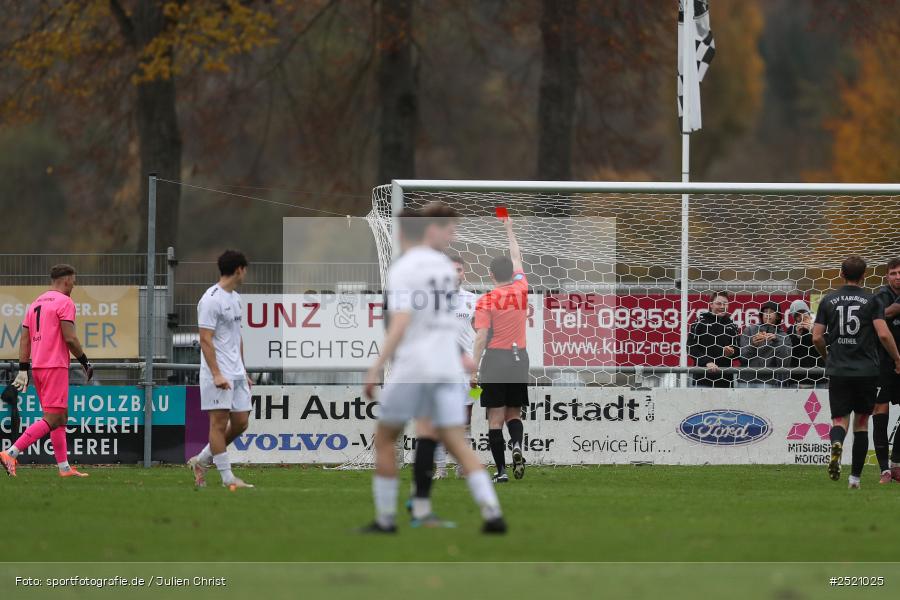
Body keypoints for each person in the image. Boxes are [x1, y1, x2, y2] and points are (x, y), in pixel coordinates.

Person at [361, 203, 505, 534]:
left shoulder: (403, 269)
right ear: (428, 230)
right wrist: (462, 354)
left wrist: (376, 366)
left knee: (385, 439)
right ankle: (491, 512)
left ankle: (385, 519)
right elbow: (447, 319)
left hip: (415, 366)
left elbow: (401, 323)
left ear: (398, 233)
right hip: (447, 366)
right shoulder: (443, 267)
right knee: (454, 440)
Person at [812, 256, 900, 489]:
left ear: (841, 274)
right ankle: (855, 479)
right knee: (861, 424)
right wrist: (897, 357)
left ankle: (837, 444)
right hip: (867, 371)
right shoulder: (872, 300)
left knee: (839, 421)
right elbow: (882, 334)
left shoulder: (828, 300)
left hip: (839, 369)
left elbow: (817, 337)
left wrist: (827, 357)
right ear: (864, 275)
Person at [0, 264, 92, 478]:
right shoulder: (65, 302)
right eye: (74, 281)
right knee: (52, 417)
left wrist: (23, 368)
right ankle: (11, 452)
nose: (74, 285)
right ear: (67, 280)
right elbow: (70, 338)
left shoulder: (35, 303)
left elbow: (24, 339)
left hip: (39, 366)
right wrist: (85, 362)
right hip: (55, 366)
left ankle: (64, 468)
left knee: (61, 416)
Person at [187, 250, 254, 490]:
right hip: (217, 372)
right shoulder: (210, 299)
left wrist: (243, 371)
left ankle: (202, 460)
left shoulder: (235, 298)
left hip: (236, 372)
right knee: (217, 423)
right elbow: (205, 339)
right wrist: (216, 373)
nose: (246, 274)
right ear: (239, 269)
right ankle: (228, 478)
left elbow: (238, 337)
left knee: (241, 422)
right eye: (245, 269)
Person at [471, 216, 529, 483]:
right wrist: (509, 229)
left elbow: (481, 336)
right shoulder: (522, 288)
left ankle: (502, 471)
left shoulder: (487, 300)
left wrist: (473, 367)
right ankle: (517, 445)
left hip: (495, 359)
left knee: (494, 419)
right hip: (520, 359)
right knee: (513, 414)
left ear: (491, 275)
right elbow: (516, 256)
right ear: (513, 274)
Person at [432, 254, 477, 479]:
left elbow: (482, 335)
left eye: (459, 270)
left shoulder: (473, 300)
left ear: (463, 273)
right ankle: (440, 468)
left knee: (465, 420)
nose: (455, 274)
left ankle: (462, 466)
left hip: (466, 371)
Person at [872, 258, 900, 482]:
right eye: (893, 273)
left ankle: (896, 461)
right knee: (880, 417)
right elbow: (884, 315)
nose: (897, 276)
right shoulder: (881, 296)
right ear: (887, 276)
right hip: (882, 365)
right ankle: (884, 470)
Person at [687, 291, 739, 388]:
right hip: (702, 379)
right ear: (711, 305)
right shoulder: (700, 321)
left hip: (725, 380)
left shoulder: (732, 325)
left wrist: (731, 352)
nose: (722, 306)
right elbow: (691, 347)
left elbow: (737, 350)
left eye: (725, 304)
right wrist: (707, 362)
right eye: (719, 303)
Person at [737, 301, 792, 388]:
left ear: (778, 316)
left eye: (771, 312)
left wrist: (777, 342)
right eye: (765, 312)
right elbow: (742, 358)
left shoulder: (783, 336)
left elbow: (784, 363)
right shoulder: (749, 330)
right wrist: (753, 345)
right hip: (745, 380)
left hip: (768, 382)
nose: (767, 314)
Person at [785, 299, 822, 388]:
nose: (801, 317)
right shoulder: (791, 329)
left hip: (820, 378)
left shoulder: (820, 326)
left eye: (803, 312)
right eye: (797, 315)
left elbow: (825, 346)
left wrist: (813, 330)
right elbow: (789, 353)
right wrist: (797, 336)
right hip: (798, 379)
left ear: (808, 312)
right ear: (794, 318)